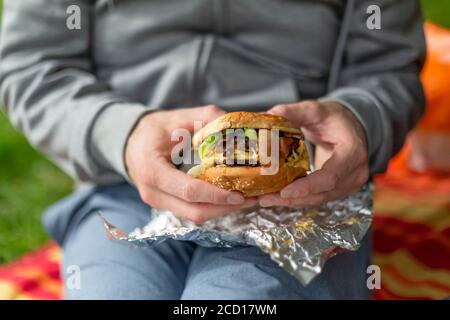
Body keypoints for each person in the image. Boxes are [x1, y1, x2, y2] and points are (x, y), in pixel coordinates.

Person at [0, 0, 425, 299]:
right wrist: (121, 134)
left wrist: (361, 118)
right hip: (123, 187)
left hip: (302, 203)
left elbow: (390, 70)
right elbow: (34, 67)